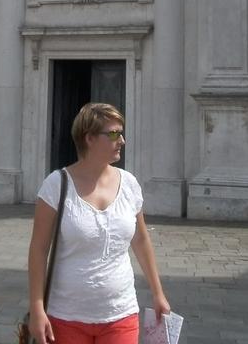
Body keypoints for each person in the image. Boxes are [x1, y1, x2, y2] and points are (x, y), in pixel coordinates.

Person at [26, 103, 170, 344]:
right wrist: (37, 308)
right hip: (65, 316)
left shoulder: (130, 184)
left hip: (120, 314)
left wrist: (158, 293)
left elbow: (142, 240)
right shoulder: (56, 184)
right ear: (89, 138)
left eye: (122, 133)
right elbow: (38, 250)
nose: (122, 140)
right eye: (113, 134)